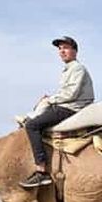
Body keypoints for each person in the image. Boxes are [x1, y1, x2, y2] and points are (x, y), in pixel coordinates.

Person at [18, 36, 95, 188]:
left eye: (65, 48)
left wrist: (51, 99)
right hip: (67, 105)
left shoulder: (78, 68)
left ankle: (41, 172)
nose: (62, 52)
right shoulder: (68, 70)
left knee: (32, 125)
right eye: (60, 49)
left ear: (74, 51)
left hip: (71, 108)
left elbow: (70, 94)